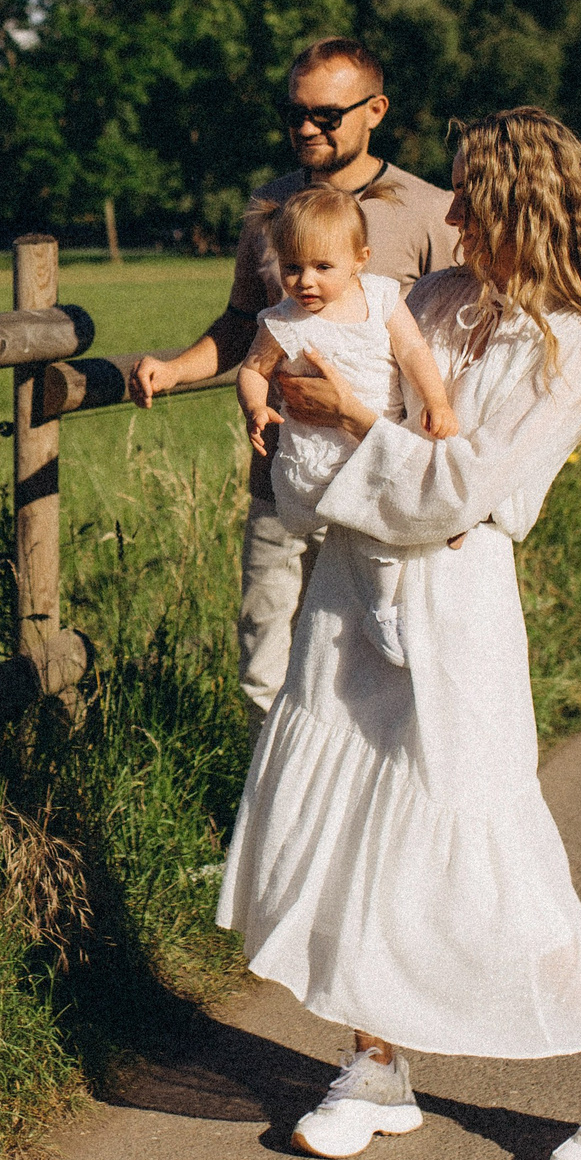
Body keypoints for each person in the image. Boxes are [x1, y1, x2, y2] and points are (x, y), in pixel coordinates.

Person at [215, 107, 581, 1160]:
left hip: (453, 611)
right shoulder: (433, 297)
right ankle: (378, 1059)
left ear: (524, 208)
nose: (452, 216)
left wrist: (346, 417)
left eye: (472, 201)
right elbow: (310, 390)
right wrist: (302, 409)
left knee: (495, 856)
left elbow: (454, 493)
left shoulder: (564, 344)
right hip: (350, 595)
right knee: (351, 829)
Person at [133, 36, 457, 724]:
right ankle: (264, 806)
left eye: (326, 114)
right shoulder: (270, 207)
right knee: (266, 647)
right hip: (282, 483)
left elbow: (457, 350)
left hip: (383, 491)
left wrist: (460, 474)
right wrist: (174, 366)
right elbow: (242, 327)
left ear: (376, 109)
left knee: (373, 658)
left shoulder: (431, 212)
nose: (306, 128)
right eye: (293, 113)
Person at [235, 186, 458, 667]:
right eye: (291, 267)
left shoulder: (380, 298)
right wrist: (256, 408)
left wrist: (436, 400)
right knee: (330, 554)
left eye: (322, 267)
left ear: (360, 259)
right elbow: (253, 369)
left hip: (373, 440)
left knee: (385, 528)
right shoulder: (282, 321)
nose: (304, 281)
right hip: (315, 457)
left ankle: (382, 609)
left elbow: (414, 351)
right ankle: (335, 637)